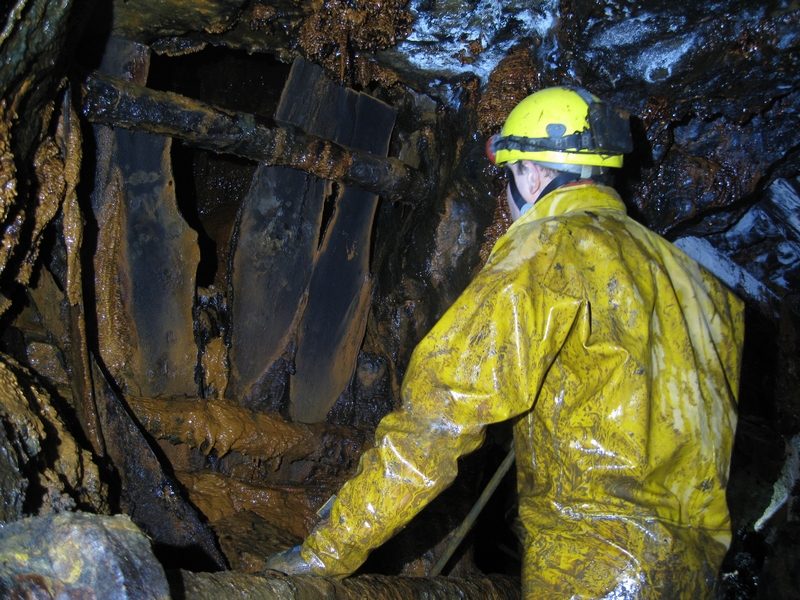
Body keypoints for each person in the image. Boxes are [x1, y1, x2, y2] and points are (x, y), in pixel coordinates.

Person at [266, 86, 744, 598]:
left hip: (594, 568)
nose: (508, 198)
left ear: (533, 174)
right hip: (694, 574)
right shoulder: (702, 286)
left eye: (510, 176)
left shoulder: (547, 249)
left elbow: (436, 423)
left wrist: (326, 552)